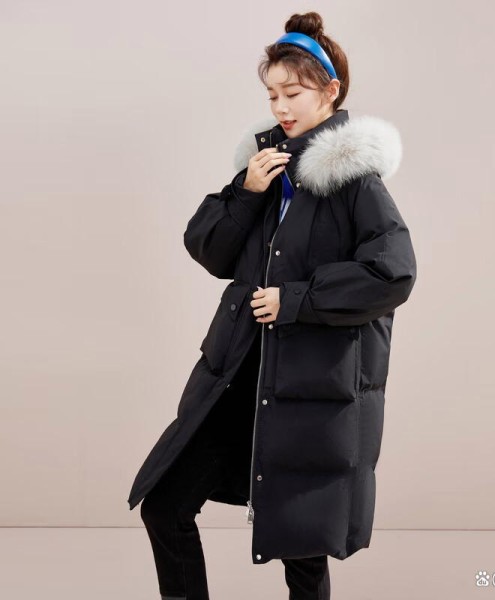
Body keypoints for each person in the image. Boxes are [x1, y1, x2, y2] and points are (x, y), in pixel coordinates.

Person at [129, 11, 417, 600]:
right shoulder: (266, 169)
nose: (281, 107)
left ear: (330, 91)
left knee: (302, 549)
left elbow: (392, 273)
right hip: (240, 379)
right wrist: (246, 191)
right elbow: (209, 250)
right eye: (272, 95)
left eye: (293, 93)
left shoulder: (356, 182)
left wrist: (296, 299)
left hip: (310, 392)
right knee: (165, 504)